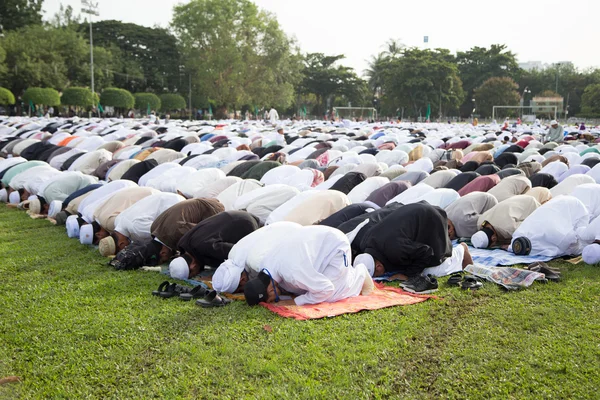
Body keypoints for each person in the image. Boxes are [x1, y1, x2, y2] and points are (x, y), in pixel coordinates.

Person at [243, 225, 374, 306]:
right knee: (307, 288)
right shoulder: (265, 266)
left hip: (335, 245)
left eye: (271, 299)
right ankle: (344, 274)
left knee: (331, 295)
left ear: (271, 290)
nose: (273, 301)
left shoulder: (293, 272)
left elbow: (326, 289)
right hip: (317, 243)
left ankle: (360, 274)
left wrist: (294, 302)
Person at [169, 211, 261, 280]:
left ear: (193, 266)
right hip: (235, 214)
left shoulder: (206, 248)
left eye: (193, 274)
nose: (196, 274)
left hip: (245, 223)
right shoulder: (184, 244)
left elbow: (237, 251)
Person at [150, 198, 225, 263]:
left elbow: (202, 234)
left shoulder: (175, 234)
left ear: (163, 253)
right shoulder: (153, 228)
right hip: (205, 202)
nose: (166, 260)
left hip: (211, 208)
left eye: (163, 260)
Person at [510, 196, 589, 257]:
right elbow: (574, 246)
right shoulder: (561, 232)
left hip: (522, 240)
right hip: (534, 246)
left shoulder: (553, 208)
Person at [471, 195, 541, 249]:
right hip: (517, 198)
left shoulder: (507, 229)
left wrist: (511, 244)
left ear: (494, 238)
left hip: (530, 204)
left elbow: (528, 228)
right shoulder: (480, 222)